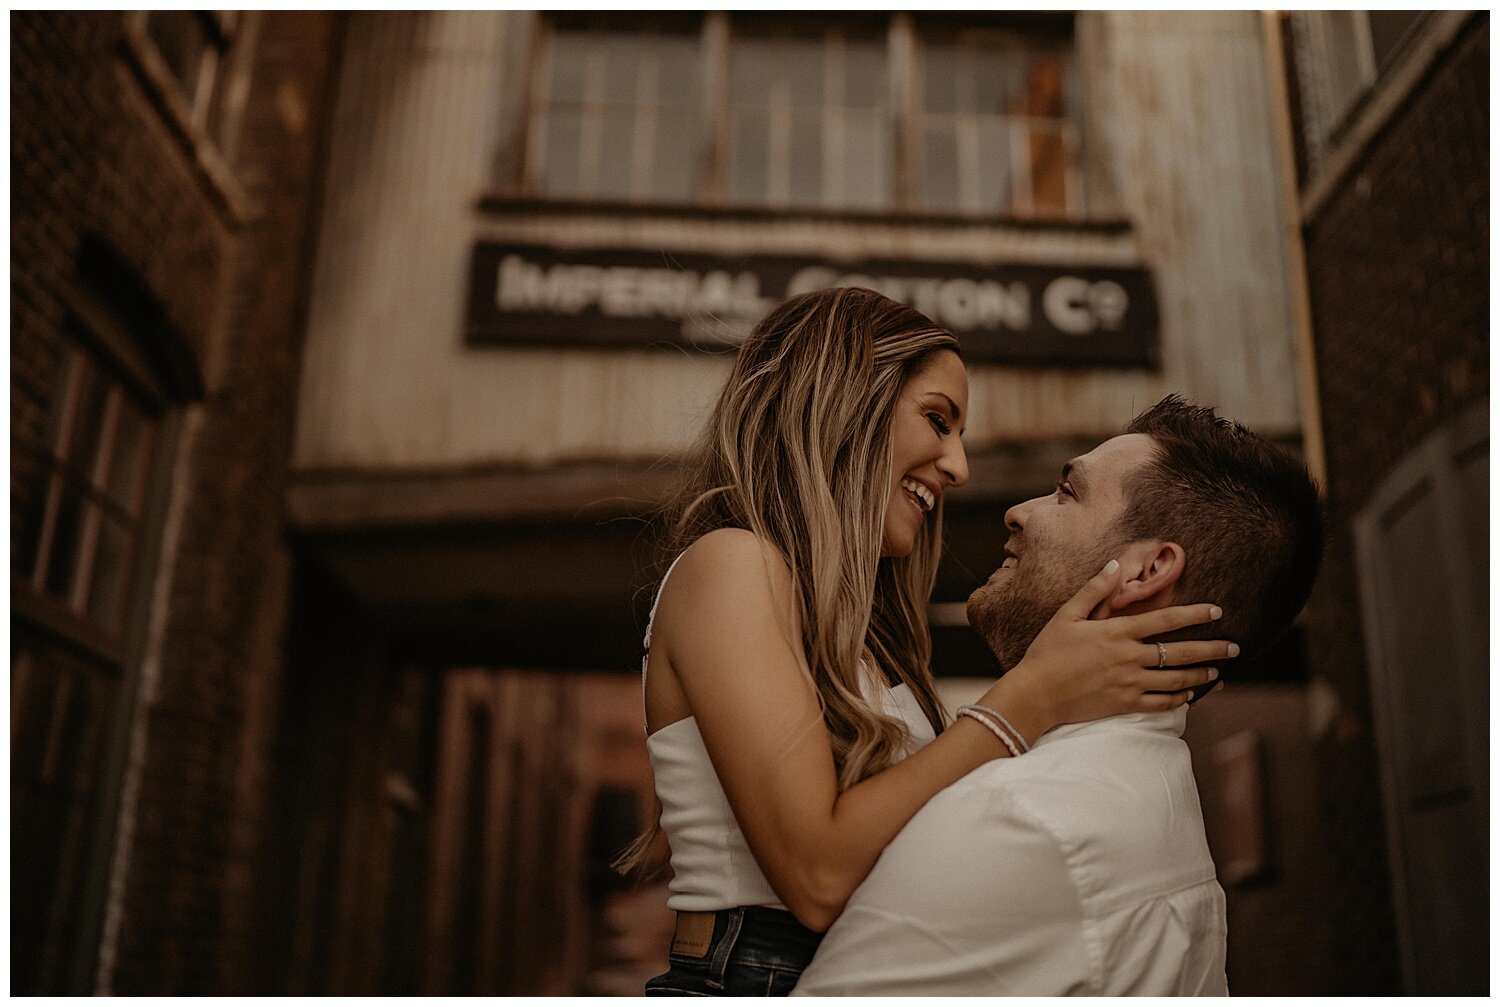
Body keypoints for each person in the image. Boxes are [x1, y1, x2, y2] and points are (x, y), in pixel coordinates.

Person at [624, 289, 1233, 996]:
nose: (958, 466)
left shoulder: (870, 632)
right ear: (845, 401)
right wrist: (1027, 697)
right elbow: (816, 875)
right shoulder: (730, 564)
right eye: (938, 420)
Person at [792, 395, 1324, 996]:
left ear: (1147, 571)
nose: (1018, 511)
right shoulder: (1157, 800)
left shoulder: (1023, 818)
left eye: (1068, 491)